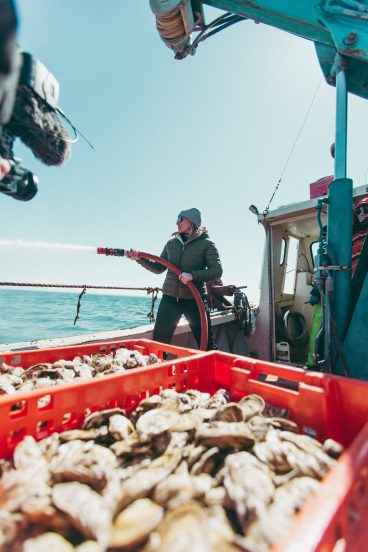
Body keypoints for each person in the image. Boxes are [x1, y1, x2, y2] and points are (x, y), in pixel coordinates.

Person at [126, 208, 222, 349]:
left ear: (191, 221)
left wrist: (192, 275)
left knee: (207, 344)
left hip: (195, 300)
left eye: (180, 219)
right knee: (159, 344)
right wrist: (139, 259)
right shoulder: (171, 244)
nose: (177, 223)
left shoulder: (207, 244)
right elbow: (159, 268)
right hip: (170, 299)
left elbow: (217, 271)